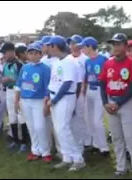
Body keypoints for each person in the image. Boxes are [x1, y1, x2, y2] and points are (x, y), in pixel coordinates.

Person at [99, 33, 132, 179]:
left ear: (125, 46)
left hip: (126, 103)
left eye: (119, 44)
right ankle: (121, 167)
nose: (116, 47)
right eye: (114, 44)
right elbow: (102, 83)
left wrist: (117, 103)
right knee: (117, 138)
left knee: (131, 138)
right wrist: (105, 103)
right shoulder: (108, 63)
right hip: (111, 101)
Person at [44, 35, 85, 171]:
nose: (47, 49)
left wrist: (54, 100)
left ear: (55, 46)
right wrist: (49, 97)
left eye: (49, 46)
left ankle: (78, 159)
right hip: (55, 97)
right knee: (59, 129)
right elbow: (53, 82)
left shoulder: (69, 61)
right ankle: (67, 157)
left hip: (65, 98)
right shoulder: (56, 62)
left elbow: (68, 83)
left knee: (63, 129)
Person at [15, 43, 52, 163]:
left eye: (36, 53)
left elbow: (48, 87)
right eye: (30, 53)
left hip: (39, 100)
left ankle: (46, 152)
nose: (33, 55)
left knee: (40, 127)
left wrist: (46, 102)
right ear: (27, 55)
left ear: (40, 55)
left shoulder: (45, 69)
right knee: (31, 127)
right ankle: (35, 150)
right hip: (25, 100)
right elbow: (19, 85)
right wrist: (17, 100)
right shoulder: (25, 68)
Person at [79, 36, 110, 155]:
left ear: (90, 47)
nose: (82, 49)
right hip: (89, 91)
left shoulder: (103, 59)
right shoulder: (87, 61)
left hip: (99, 90)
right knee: (89, 119)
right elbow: (86, 77)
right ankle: (96, 144)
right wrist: (83, 89)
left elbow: (107, 77)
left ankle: (104, 147)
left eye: (84, 47)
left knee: (98, 120)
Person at [0, 42, 28, 152]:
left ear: (11, 52)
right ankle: (15, 140)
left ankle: (24, 141)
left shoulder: (19, 64)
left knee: (21, 116)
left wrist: (11, 80)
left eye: (5, 52)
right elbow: (3, 77)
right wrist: (3, 81)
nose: (4, 55)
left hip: (18, 92)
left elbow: (24, 81)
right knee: (12, 116)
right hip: (8, 91)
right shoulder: (6, 64)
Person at [66, 34, 88, 155]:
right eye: (71, 44)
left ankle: (81, 146)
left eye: (76, 43)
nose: (73, 46)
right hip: (69, 94)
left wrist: (84, 90)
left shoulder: (85, 59)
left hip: (81, 93)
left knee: (80, 119)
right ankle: (73, 145)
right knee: (70, 120)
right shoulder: (67, 59)